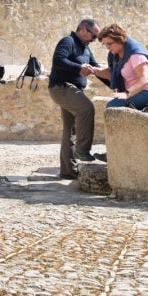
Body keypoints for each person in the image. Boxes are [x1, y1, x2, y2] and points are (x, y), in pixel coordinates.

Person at [48, 18, 103, 180]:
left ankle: (68, 171)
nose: (94, 40)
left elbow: (96, 69)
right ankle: (83, 150)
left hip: (72, 90)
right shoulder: (68, 41)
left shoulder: (86, 50)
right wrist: (79, 68)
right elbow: (59, 60)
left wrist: (115, 83)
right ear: (84, 30)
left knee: (70, 129)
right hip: (62, 87)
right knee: (87, 108)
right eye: (94, 36)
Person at [94, 23, 148, 110]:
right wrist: (93, 71)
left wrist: (127, 94)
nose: (107, 47)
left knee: (113, 106)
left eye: (110, 44)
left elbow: (145, 78)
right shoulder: (116, 54)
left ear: (119, 39)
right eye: (105, 44)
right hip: (136, 91)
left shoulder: (135, 54)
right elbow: (112, 73)